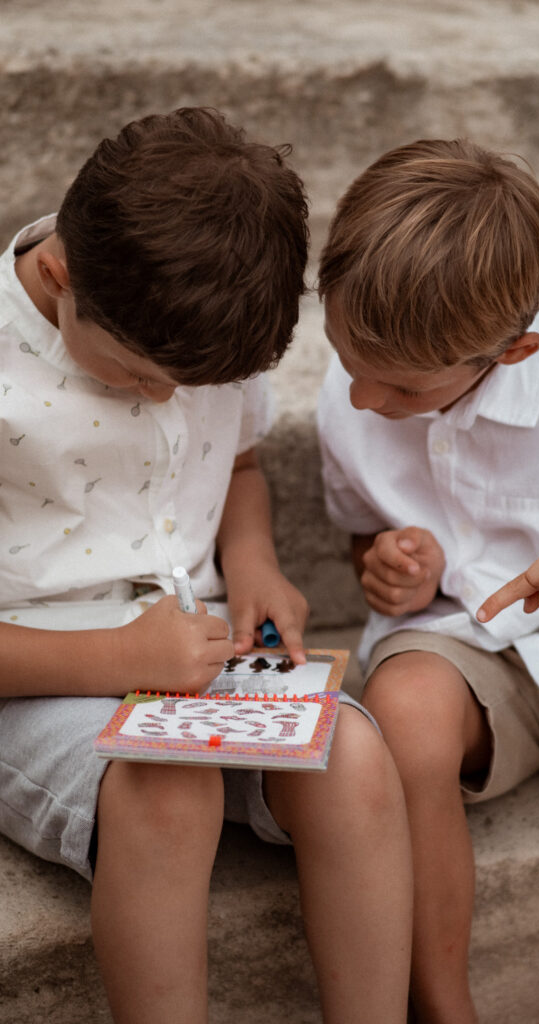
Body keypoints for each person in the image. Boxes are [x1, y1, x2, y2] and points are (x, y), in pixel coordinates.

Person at [0, 107, 413, 1024]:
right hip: (38, 678)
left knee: (356, 758)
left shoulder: (199, 328)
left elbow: (238, 463)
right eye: (139, 378)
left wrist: (253, 560)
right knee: (170, 792)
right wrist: (114, 664)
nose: (166, 398)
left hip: (204, 656)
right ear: (62, 277)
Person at [315, 136, 539, 1024]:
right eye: (347, 364)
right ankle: (447, 1010)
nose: (363, 402)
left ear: (511, 351)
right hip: (454, 651)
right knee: (398, 720)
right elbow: (360, 532)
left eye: (399, 391)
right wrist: (385, 567)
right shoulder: (359, 373)